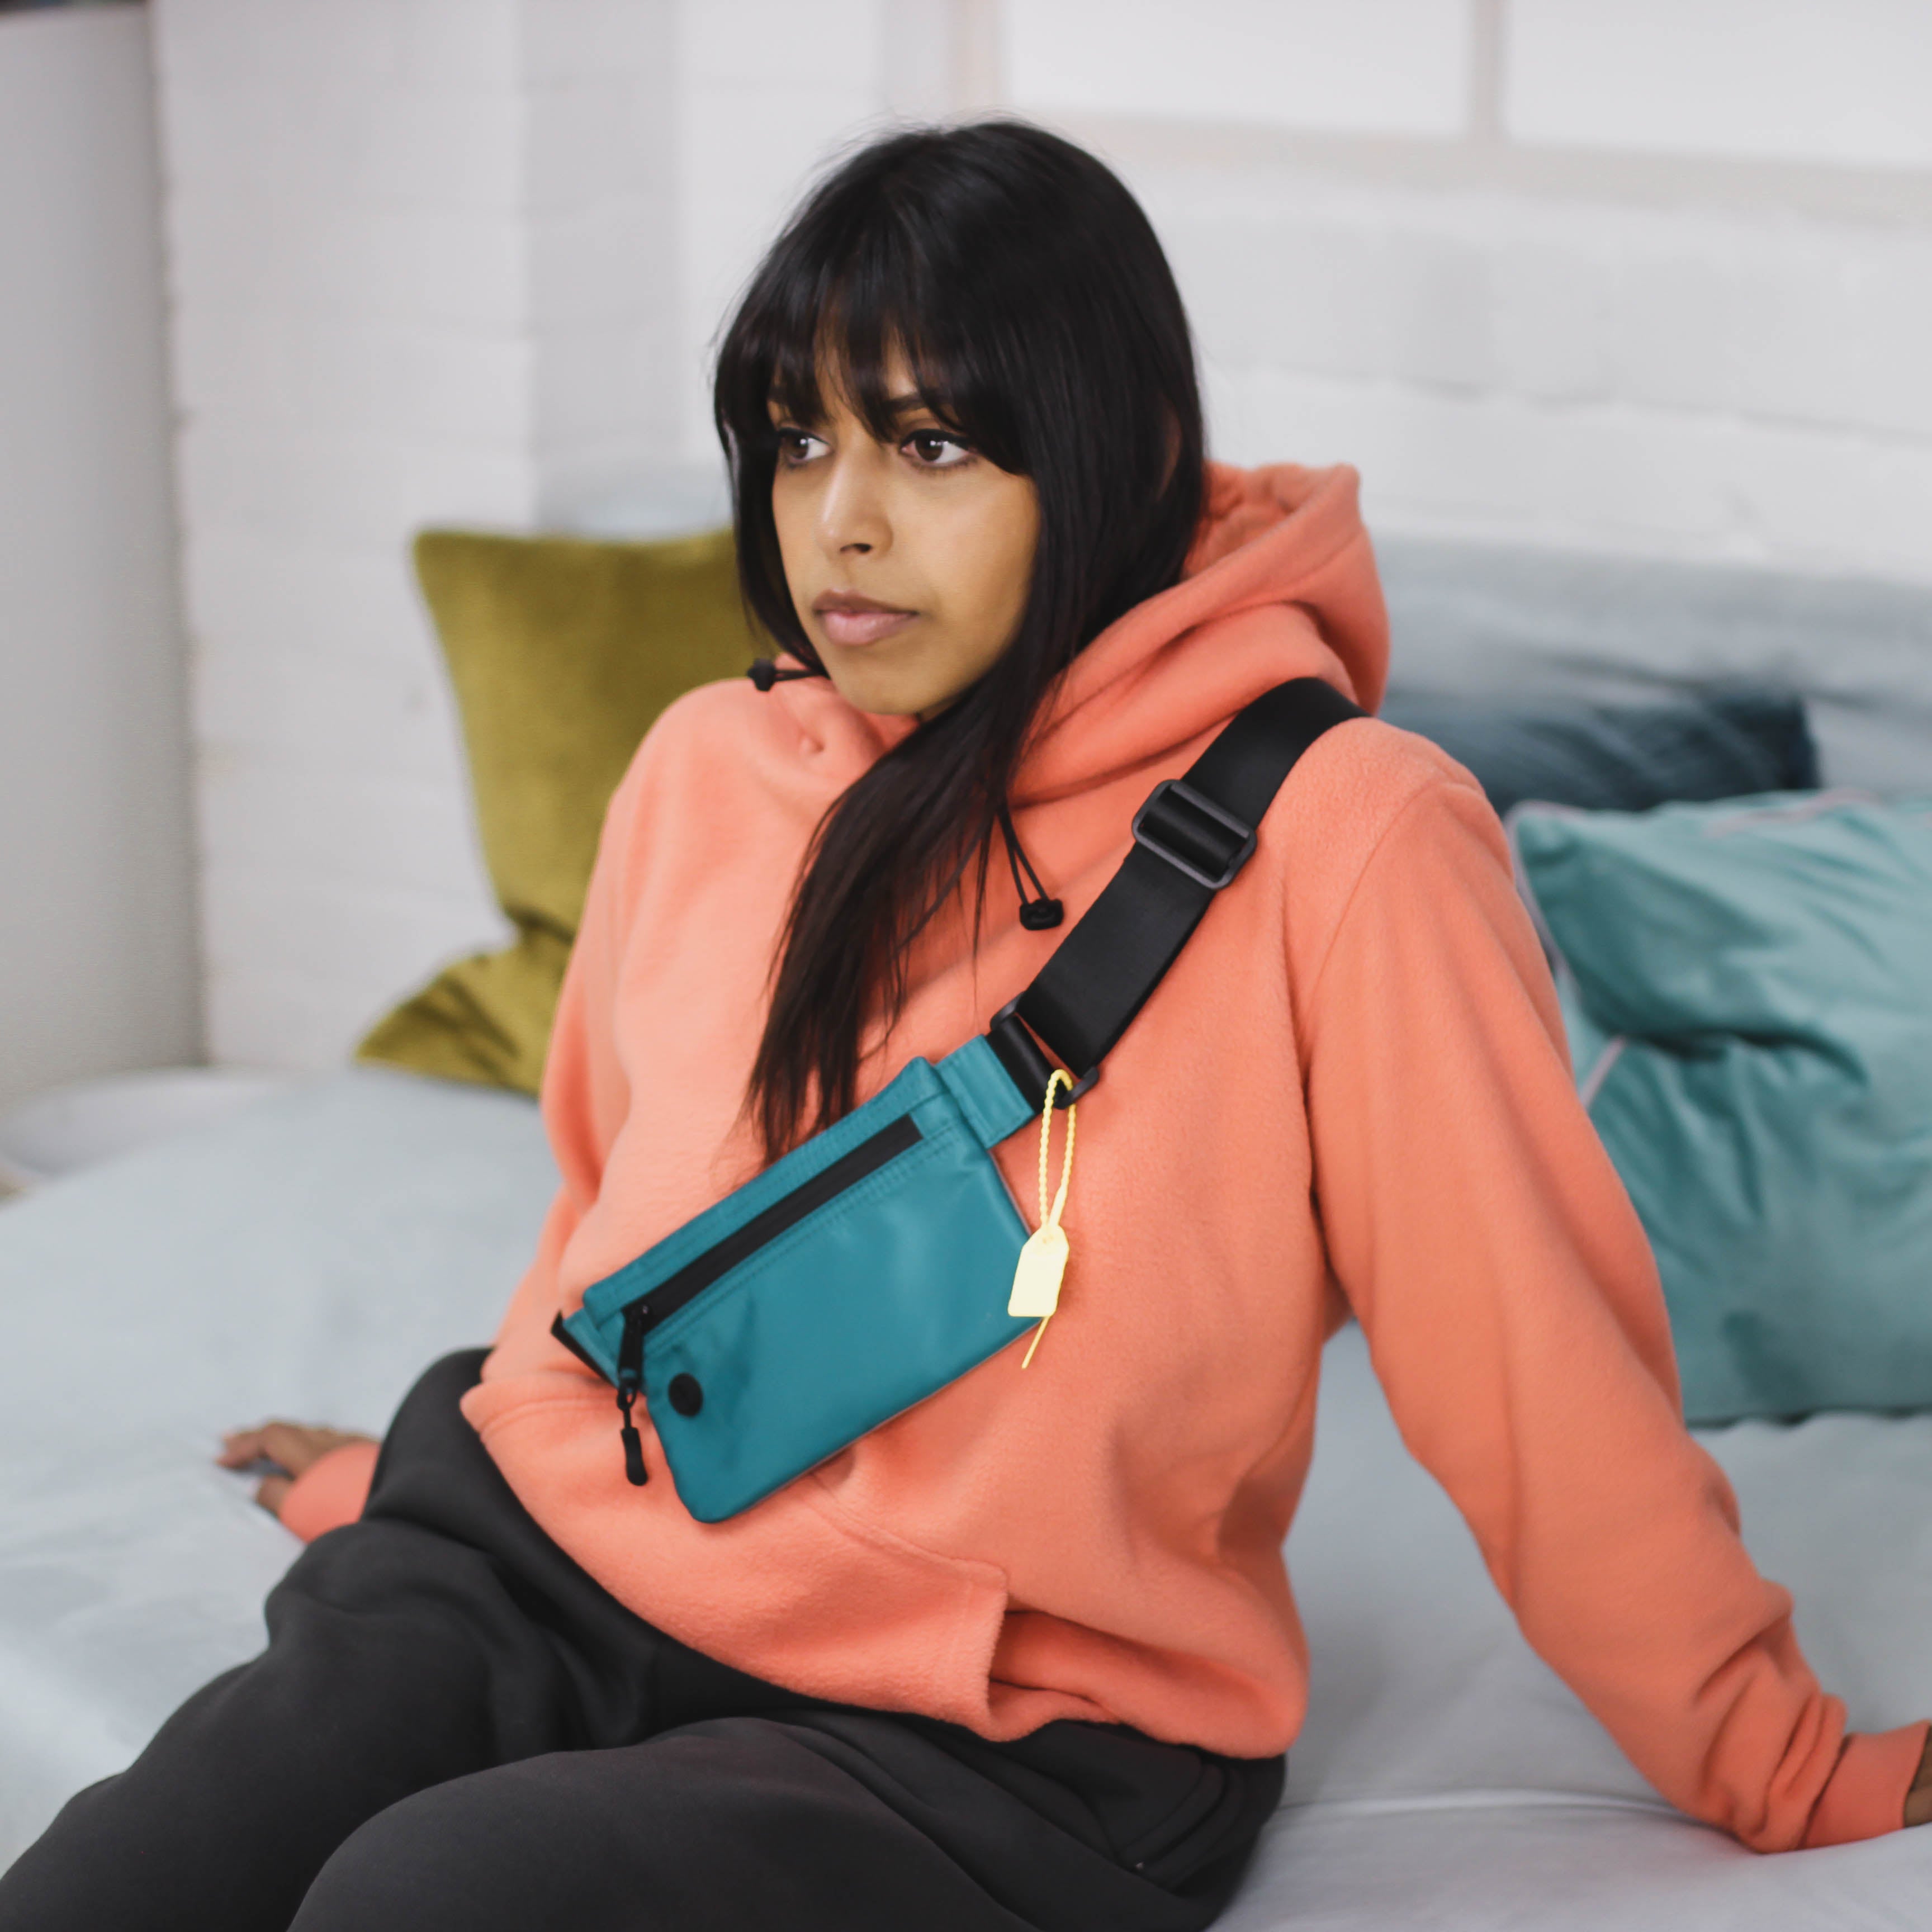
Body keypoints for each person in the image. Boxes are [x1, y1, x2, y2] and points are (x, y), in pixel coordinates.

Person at [3, 120, 1927, 1932]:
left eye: (929, 448)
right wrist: (415, 1490)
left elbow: (1535, 1369)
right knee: (114, 1888)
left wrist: (1781, 1761)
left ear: (1114, 445)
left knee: (427, 1898)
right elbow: (614, 1233)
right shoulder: (707, 765)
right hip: (548, 1559)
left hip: (1003, 1727)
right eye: (795, 441)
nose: (840, 526)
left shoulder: (1352, 837)